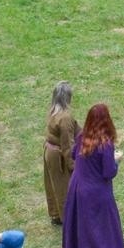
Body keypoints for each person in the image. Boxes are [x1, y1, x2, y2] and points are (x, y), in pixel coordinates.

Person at [61, 103, 124, 248]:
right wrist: (117, 160)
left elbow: (75, 154)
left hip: (78, 187)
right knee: (102, 229)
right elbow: (108, 172)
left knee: (83, 225)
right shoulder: (105, 143)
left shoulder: (83, 136)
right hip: (96, 191)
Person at [42, 82, 77, 226]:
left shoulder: (53, 111)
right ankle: (68, 219)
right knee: (63, 188)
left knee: (52, 184)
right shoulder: (65, 117)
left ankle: (55, 214)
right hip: (58, 156)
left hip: (49, 152)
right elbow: (67, 145)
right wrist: (73, 165)